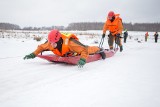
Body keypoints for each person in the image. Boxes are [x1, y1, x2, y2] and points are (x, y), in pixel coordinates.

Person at [23, 30, 106, 67]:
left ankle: (99, 48)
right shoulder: (50, 43)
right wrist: (33, 54)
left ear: (59, 40)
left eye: (54, 43)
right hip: (66, 53)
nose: (52, 45)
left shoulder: (70, 43)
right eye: (50, 43)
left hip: (74, 49)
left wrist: (83, 59)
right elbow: (41, 47)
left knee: (88, 49)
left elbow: (84, 49)